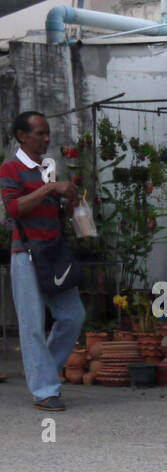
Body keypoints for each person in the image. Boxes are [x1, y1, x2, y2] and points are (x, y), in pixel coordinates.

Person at [1, 110, 84, 409]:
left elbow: (52, 211)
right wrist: (51, 187)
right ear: (22, 136)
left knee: (73, 316)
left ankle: (41, 371)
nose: (47, 138)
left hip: (53, 253)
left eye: (48, 133)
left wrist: (68, 202)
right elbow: (13, 208)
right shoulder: (11, 168)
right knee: (32, 324)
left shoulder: (45, 168)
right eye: (40, 133)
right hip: (26, 253)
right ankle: (45, 390)